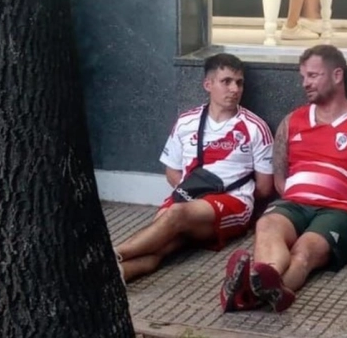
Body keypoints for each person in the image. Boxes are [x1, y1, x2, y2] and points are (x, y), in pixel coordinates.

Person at [219, 44, 347, 313]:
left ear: (337, 75)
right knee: (267, 225)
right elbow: (281, 180)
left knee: (303, 251)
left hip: (341, 210)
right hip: (295, 204)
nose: (306, 84)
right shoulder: (292, 121)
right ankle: (265, 282)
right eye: (303, 77)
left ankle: (250, 294)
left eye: (313, 76)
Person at [114, 53, 274, 283]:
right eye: (226, 81)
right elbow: (171, 170)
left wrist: (200, 205)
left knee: (175, 215)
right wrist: (191, 198)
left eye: (239, 82)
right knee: (163, 245)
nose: (234, 89)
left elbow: (265, 188)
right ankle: (113, 276)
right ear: (208, 85)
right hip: (188, 196)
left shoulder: (255, 127)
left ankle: (112, 255)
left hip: (233, 201)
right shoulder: (186, 121)